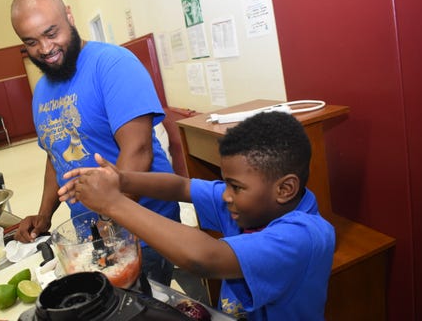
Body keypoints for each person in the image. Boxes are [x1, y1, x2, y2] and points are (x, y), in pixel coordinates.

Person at [59, 111, 335, 320]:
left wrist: (113, 203)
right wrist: (122, 180)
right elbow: (181, 186)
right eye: (225, 183)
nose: (225, 195)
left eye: (235, 186)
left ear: (285, 188)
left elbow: (203, 259)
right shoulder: (249, 204)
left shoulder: (304, 236)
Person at [9, 0, 180, 285]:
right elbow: (55, 156)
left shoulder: (113, 64)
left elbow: (138, 150)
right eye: (32, 42)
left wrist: (111, 222)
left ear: (70, 16)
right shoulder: (42, 92)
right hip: (92, 233)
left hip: (143, 229)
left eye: (52, 33)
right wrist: (44, 215)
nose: (46, 49)